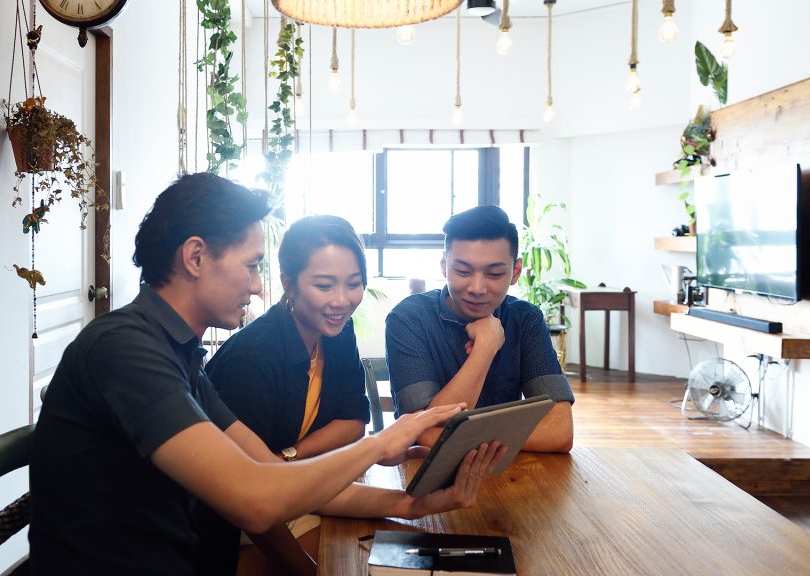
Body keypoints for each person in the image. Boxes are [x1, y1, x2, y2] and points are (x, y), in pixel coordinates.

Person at [29, 173, 508, 576]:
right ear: (195, 257)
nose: (258, 286)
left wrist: (412, 505)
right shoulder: (126, 350)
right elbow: (255, 503)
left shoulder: (177, 353)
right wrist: (381, 444)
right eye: (251, 265)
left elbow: (273, 476)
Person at [204, 215, 371, 573]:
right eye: (324, 286)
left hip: (292, 493)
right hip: (224, 527)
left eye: (353, 284)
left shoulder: (337, 332)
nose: (341, 300)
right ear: (288, 284)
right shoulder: (253, 359)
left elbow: (354, 421)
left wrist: (286, 459)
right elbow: (248, 499)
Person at [385, 205, 575, 451]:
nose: (477, 288)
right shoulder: (409, 319)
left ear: (515, 271)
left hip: (506, 473)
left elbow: (560, 431)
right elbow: (425, 435)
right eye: (463, 271)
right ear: (444, 267)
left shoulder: (524, 319)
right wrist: (485, 347)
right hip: (425, 478)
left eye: (494, 274)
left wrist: (461, 439)